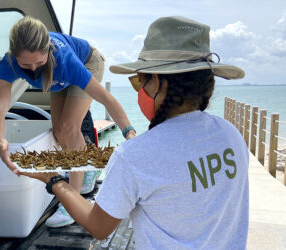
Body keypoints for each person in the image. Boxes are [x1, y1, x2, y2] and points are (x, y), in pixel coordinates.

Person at [22, 16, 250, 249]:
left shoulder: (135, 155)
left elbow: (97, 226)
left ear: (158, 82)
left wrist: (54, 180)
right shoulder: (231, 134)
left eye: (139, 81)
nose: (139, 89)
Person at [0, 16, 136, 228]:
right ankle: (88, 169)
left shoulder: (65, 60)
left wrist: (129, 132)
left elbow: (105, 98)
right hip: (57, 79)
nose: (32, 70)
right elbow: (0, 106)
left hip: (88, 61)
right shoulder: (9, 63)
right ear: (14, 57)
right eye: (25, 65)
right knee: (58, 131)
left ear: (48, 49)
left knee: (69, 127)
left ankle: (73, 202)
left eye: (38, 63)